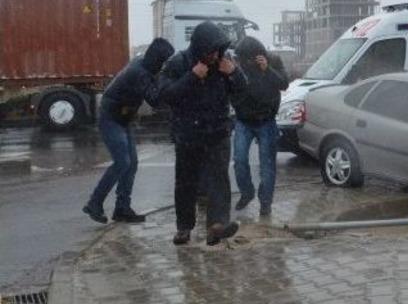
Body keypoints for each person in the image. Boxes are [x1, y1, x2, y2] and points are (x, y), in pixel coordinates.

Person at [158, 21, 247, 246]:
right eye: (210, 51)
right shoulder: (178, 63)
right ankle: (184, 227)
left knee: (219, 180)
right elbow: (166, 94)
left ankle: (217, 226)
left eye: (218, 50)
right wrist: (192, 76)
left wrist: (234, 73)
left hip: (217, 131)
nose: (215, 56)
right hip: (188, 133)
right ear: (199, 48)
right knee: (186, 182)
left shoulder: (224, 62)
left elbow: (243, 89)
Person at [83, 38, 175, 224]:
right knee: (122, 162)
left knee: (131, 163)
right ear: (157, 59)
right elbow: (155, 100)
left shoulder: (143, 65)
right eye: (164, 61)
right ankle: (94, 203)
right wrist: (173, 85)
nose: (164, 66)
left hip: (123, 118)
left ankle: (122, 209)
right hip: (111, 118)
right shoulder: (139, 72)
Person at [230, 36, 290, 217]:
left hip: (266, 120)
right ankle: (247, 192)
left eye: (249, 59)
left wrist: (267, 70)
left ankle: (266, 202)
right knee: (239, 160)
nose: (246, 62)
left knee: (267, 165)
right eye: (243, 59)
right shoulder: (238, 63)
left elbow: (284, 84)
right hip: (243, 120)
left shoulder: (273, 61)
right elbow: (232, 87)